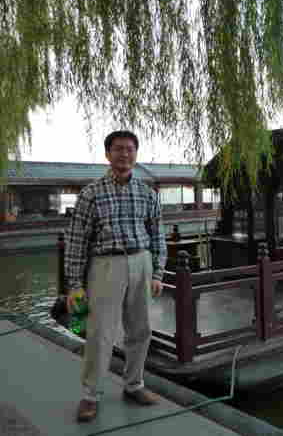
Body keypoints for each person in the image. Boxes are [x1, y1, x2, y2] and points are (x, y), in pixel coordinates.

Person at [64, 130, 167, 422]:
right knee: (100, 332)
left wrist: (158, 272)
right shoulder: (90, 194)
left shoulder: (148, 193)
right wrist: (74, 285)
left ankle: (134, 385)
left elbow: (157, 235)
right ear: (107, 155)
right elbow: (76, 242)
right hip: (106, 266)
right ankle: (90, 395)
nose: (125, 154)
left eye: (130, 149)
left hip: (142, 263)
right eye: (119, 149)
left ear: (136, 154)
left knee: (141, 329)